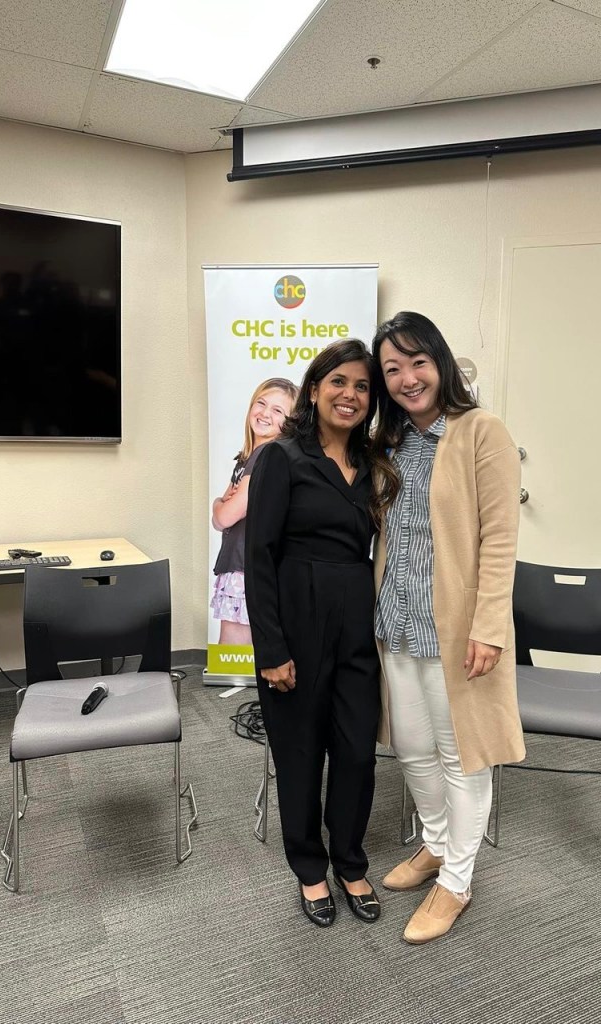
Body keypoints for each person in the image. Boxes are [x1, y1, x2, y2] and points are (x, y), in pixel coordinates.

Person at [371, 310, 525, 944]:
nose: (408, 378)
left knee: (463, 757)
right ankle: (435, 845)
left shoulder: (482, 432)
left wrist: (489, 627)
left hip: (458, 631)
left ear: (439, 361)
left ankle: (457, 880)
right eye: (393, 369)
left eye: (418, 362)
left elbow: (500, 540)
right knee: (411, 748)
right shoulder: (388, 443)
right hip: (396, 621)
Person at [244, 339, 382, 928]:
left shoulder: (374, 464)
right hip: (296, 624)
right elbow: (258, 556)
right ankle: (309, 868)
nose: (350, 395)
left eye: (362, 386)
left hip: (357, 623)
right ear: (315, 388)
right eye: (339, 382)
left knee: (356, 750)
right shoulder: (282, 457)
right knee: (300, 754)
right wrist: (271, 649)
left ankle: (350, 860)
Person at [211, 379, 298, 645]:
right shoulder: (247, 458)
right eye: (261, 403)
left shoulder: (265, 456)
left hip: (245, 569)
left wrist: (216, 504)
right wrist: (220, 506)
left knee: (235, 654)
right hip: (242, 566)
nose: (265, 413)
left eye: (278, 410)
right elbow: (222, 517)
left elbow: (224, 516)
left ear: (290, 422)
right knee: (242, 654)